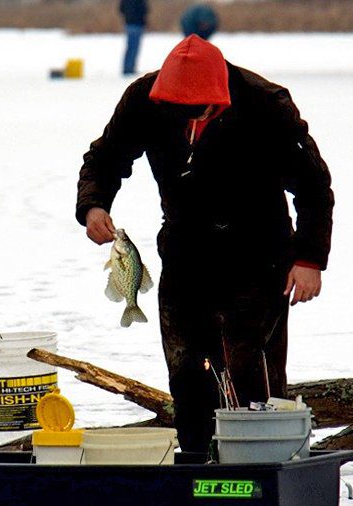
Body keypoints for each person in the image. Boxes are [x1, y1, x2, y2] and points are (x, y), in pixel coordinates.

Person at [76, 35, 334, 454]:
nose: (185, 120)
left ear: (219, 97)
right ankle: (197, 461)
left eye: (195, 111)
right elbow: (105, 157)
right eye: (176, 111)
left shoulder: (265, 103)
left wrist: (309, 258)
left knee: (247, 364)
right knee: (188, 369)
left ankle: (263, 460)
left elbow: (312, 185)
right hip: (185, 250)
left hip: (259, 253)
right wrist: (93, 205)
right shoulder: (145, 98)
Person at [119, 0, 148, 75]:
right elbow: (144, 9)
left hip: (129, 23)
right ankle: (129, 69)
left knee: (131, 47)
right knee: (133, 47)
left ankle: (128, 68)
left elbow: (121, 9)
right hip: (137, 24)